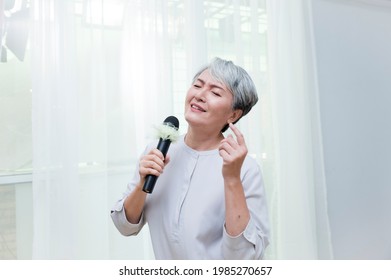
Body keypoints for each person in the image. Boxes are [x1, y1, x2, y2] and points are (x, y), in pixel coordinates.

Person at [111, 57, 270, 259]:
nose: (200, 95)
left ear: (233, 115)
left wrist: (232, 179)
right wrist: (142, 185)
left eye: (215, 92)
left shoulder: (245, 168)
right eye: (197, 85)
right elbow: (124, 226)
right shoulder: (159, 151)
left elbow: (244, 258)